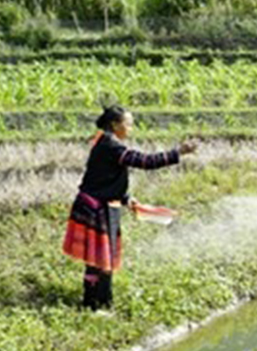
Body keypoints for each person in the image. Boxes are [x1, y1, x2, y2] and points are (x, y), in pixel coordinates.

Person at [62, 106, 197, 310]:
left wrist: (126, 198)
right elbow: (145, 161)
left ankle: (90, 302)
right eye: (128, 123)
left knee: (95, 260)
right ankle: (102, 306)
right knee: (103, 261)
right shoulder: (111, 146)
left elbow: (104, 177)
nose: (131, 128)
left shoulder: (104, 141)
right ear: (115, 125)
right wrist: (178, 152)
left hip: (95, 204)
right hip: (99, 209)